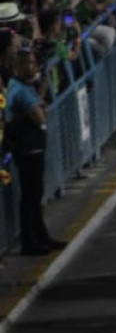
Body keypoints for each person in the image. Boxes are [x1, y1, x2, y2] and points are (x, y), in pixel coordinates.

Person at [5, 50, 60, 256]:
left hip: (31, 147)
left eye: (34, 62)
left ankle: (41, 236)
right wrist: (42, 108)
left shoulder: (21, 87)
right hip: (29, 148)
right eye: (28, 63)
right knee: (30, 197)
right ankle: (30, 241)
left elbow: (38, 104)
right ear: (18, 66)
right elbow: (40, 117)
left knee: (35, 195)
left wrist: (42, 93)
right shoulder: (20, 90)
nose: (33, 66)